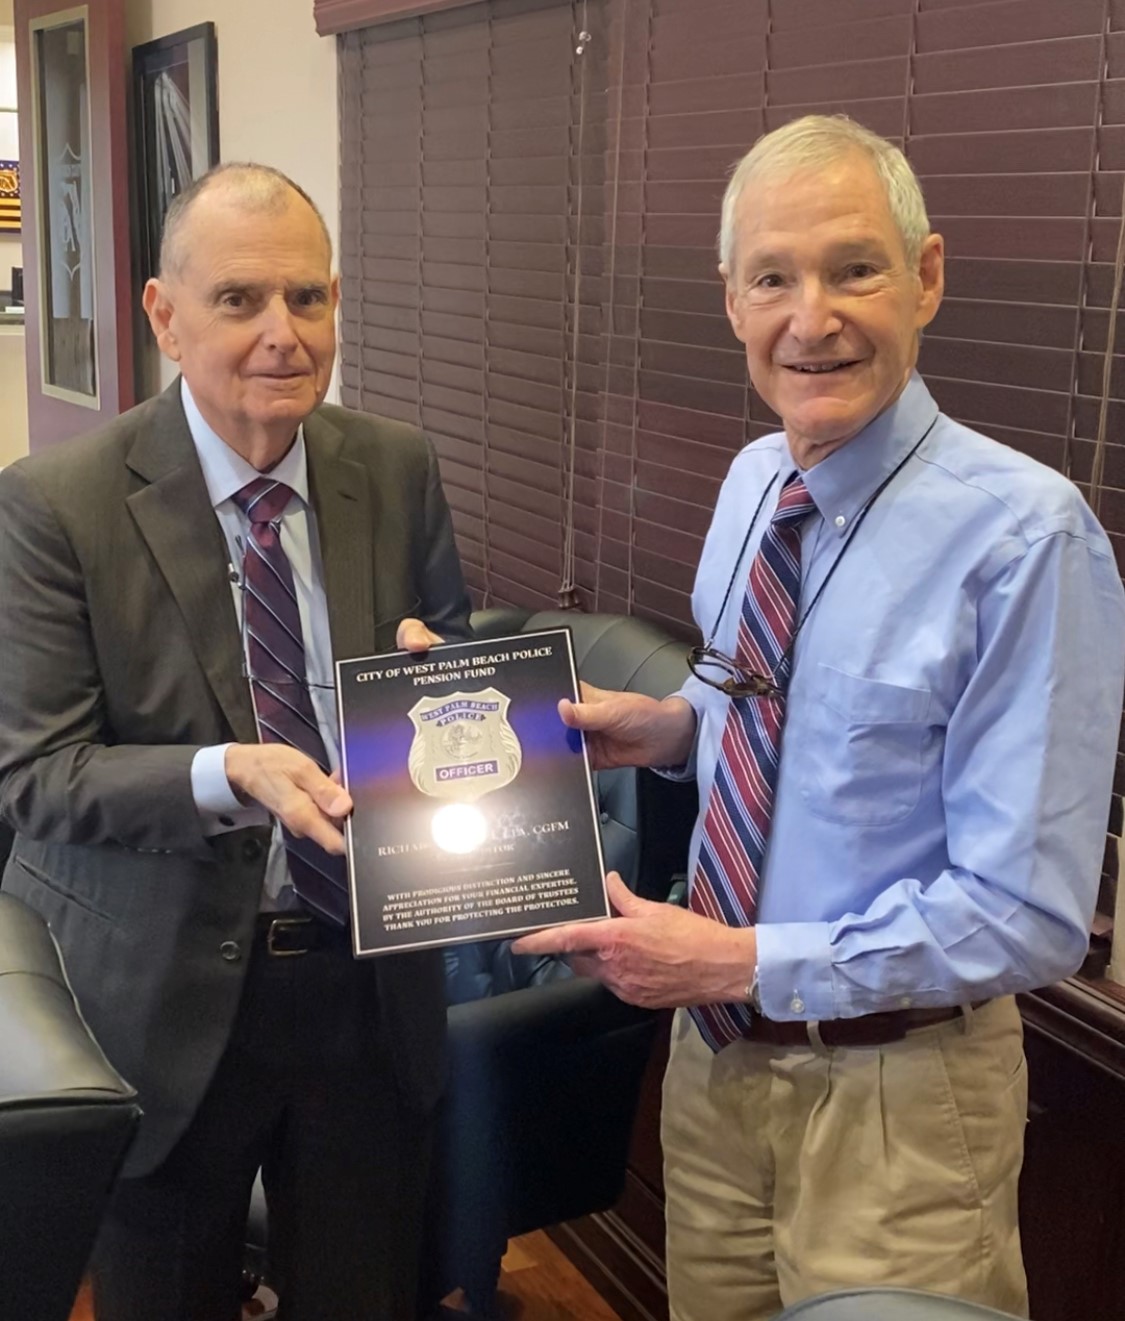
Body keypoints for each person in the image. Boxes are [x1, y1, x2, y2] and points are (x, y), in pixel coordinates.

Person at [514, 115, 1125, 1320]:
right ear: (732, 299)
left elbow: (1032, 916)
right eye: (774, 278)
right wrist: (671, 726)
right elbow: (758, 696)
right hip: (717, 1064)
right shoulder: (755, 481)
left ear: (927, 278)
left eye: (855, 268)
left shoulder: (1027, 541)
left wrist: (741, 957)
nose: (812, 318)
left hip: (899, 1103)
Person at [0, 163, 471, 1320]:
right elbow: (36, 773)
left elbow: (449, 676)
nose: (283, 335)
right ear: (165, 314)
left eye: (308, 300)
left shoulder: (396, 468)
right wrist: (229, 773)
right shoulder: (56, 503)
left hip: (365, 985)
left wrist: (439, 691)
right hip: (159, 1001)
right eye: (241, 301)